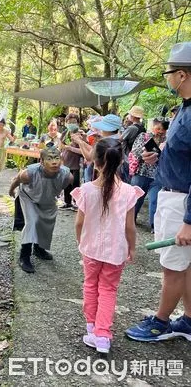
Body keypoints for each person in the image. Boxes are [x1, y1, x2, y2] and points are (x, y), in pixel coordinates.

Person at [125, 42, 191, 342]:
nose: (167, 78)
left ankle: (160, 322)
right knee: (184, 264)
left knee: (172, 266)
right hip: (171, 191)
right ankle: (189, 320)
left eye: (168, 73)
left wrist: (189, 220)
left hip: (181, 199)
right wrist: (161, 153)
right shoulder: (183, 111)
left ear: (181, 74)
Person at [72, 138, 143, 354]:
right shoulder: (129, 192)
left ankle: (91, 327)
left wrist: (80, 240)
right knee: (108, 289)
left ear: (95, 161)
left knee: (90, 285)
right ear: (121, 160)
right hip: (116, 251)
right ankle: (103, 336)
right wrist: (132, 247)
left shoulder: (86, 190)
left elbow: (79, 223)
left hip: (90, 249)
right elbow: (129, 227)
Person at [8, 145, 73, 273]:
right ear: (41, 162)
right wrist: (11, 190)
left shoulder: (67, 175)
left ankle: (39, 249)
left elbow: (61, 187)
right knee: (33, 221)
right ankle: (24, 255)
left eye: (56, 158)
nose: (54, 162)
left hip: (47, 198)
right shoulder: (29, 173)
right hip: (29, 197)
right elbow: (17, 179)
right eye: (49, 159)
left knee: (47, 223)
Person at [128, 118, 168, 230]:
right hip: (141, 173)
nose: (161, 131)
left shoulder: (167, 140)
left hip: (157, 175)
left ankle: (154, 226)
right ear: (153, 126)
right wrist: (147, 150)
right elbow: (135, 152)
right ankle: (130, 220)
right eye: (158, 128)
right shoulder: (144, 136)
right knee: (136, 199)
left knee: (155, 200)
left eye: (163, 129)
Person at [60, 113, 83, 210]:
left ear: (78, 123)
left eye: (74, 122)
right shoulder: (65, 133)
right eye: (69, 122)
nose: (71, 124)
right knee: (66, 183)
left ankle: (76, 203)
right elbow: (61, 146)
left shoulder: (80, 133)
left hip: (76, 163)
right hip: (66, 162)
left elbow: (83, 150)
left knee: (75, 183)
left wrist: (69, 148)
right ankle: (67, 202)